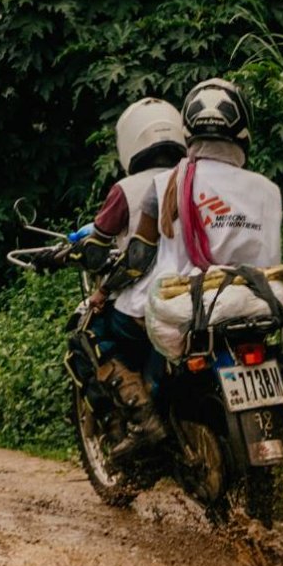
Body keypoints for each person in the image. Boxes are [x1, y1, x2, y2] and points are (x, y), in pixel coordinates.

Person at [104, 77, 282, 456]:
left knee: (115, 325)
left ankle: (147, 420)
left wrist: (105, 289)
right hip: (261, 301)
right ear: (243, 132)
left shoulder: (168, 183)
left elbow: (138, 258)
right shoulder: (268, 189)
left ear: (189, 133)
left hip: (189, 308)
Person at [78, 98, 186, 458]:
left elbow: (107, 248)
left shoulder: (125, 190)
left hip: (145, 299)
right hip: (198, 293)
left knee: (89, 334)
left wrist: (102, 284)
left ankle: (142, 419)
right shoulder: (194, 177)